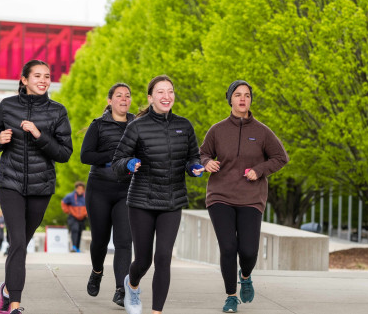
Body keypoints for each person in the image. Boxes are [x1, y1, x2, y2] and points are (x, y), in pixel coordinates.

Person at [0, 59, 73, 314]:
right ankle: (15, 305)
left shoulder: (58, 111)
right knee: (16, 243)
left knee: (21, 243)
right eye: (37, 76)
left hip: (41, 186)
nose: (43, 80)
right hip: (10, 182)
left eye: (47, 76)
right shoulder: (7, 106)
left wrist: (39, 135)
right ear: (24, 79)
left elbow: (64, 153)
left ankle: (5, 292)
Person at [112, 75, 204, 314]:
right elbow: (117, 162)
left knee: (163, 257)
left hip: (172, 201)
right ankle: (132, 285)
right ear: (150, 98)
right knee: (143, 260)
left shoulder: (184, 126)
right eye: (161, 92)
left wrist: (193, 167)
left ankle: (156, 311)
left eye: (170, 91)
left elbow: (193, 156)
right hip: (141, 201)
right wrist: (129, 163)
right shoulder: (137, 126)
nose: (167, 96)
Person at [200, 80, 289, 313]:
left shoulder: (262, 132)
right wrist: (207, 163)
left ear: (250, 100)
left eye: (247, 95)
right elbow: (203, 153)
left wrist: (258, 170)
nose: (242, 99)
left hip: (251, 198)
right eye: (238, 95)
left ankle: (246, 275)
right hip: (220, 196)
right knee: (228, 248)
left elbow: (281, 158)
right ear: (230, 98)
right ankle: (231, 296)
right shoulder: (217, 130)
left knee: (248, 251)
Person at [80, 83, 134, 306]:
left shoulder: (137, 125)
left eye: (127, 96)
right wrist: (113, 155)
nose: (124, 99)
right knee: (100, 241)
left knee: (124, 242)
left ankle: (122, 289)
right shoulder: (98, 125)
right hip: (100, 189)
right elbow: (86, 155)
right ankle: (97, 270)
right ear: (110, 100)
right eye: (119, 96)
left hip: (126, 190)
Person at [61, 181, 88, 252]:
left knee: (79, 232)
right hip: (73, 217)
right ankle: (74, 247)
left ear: (83, 189)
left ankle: (77, 248)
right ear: (76, 189)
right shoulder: (70, 196)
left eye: (81, 189)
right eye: (78, 189)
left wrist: (87, 213)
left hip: (82, 218)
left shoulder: (86, 196)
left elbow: (90, 205)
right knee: (75, 230)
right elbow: (63, 203)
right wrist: (67, 211)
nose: (80, 190)